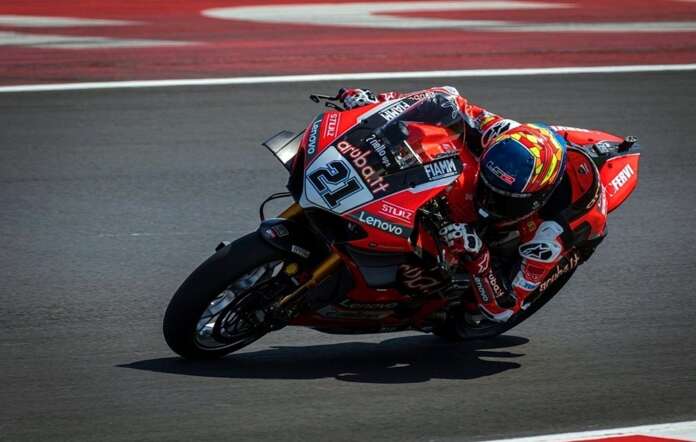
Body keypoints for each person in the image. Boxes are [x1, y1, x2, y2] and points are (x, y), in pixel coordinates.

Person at [338, 86, 606, 322]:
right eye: (488, 187)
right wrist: (376, 103)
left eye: (502, 200)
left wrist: (478, 255)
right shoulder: (497, 131)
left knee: (482, 307)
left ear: (536, 198)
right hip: (538, 150)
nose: (488, 201)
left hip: (564, 227)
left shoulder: (549, 234)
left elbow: (504, 308)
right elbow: (445, 99)